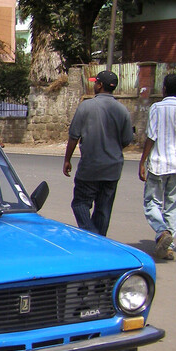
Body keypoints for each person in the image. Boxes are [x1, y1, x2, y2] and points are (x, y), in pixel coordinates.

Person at [63, 70, 133, 236]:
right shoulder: (123, 110)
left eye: (96, 82)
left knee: (80, 203)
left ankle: (91, 235)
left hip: (90, 167)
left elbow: (73, 136)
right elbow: (126, 140)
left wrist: (67, 160)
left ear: (100, 85)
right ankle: (100, 241)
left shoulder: (86, 106)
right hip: (113, 168)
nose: (94, 85)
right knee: (103, 208)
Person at [138, 73, 176, 260]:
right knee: (172, 205)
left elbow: (152, 136)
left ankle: (161, 231)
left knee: (151, 202)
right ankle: (169, 246)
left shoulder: (157, 107)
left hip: (159, 163)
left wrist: (142, 161)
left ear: (164, 88)